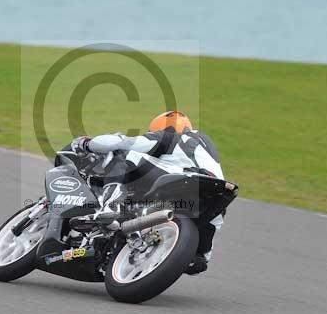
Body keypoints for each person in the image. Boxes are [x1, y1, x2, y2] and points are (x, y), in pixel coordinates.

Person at [69, 110, 225, 275]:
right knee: (200, 257)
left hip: (184, 178)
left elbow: (122, 143)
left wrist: (87, 143)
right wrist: (196, 256)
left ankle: (110, 207)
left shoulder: (169, 136)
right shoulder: (206, 149)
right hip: (215, 195)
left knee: (124, 154)